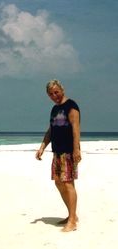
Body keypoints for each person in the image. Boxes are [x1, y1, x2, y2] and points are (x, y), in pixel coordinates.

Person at [35, 79, 81, 232]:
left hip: (68, 151)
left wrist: (76, 150)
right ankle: (71, 215)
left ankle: (73, 220)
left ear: (62, 89)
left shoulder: (71, 106)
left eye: (56, 92)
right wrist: (42, 147)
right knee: (58, 182)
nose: (54, 95)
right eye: (50, 94)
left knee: (68, 183)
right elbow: (51, 131)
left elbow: (75, 129)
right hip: (57, 151)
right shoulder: (55, 109)